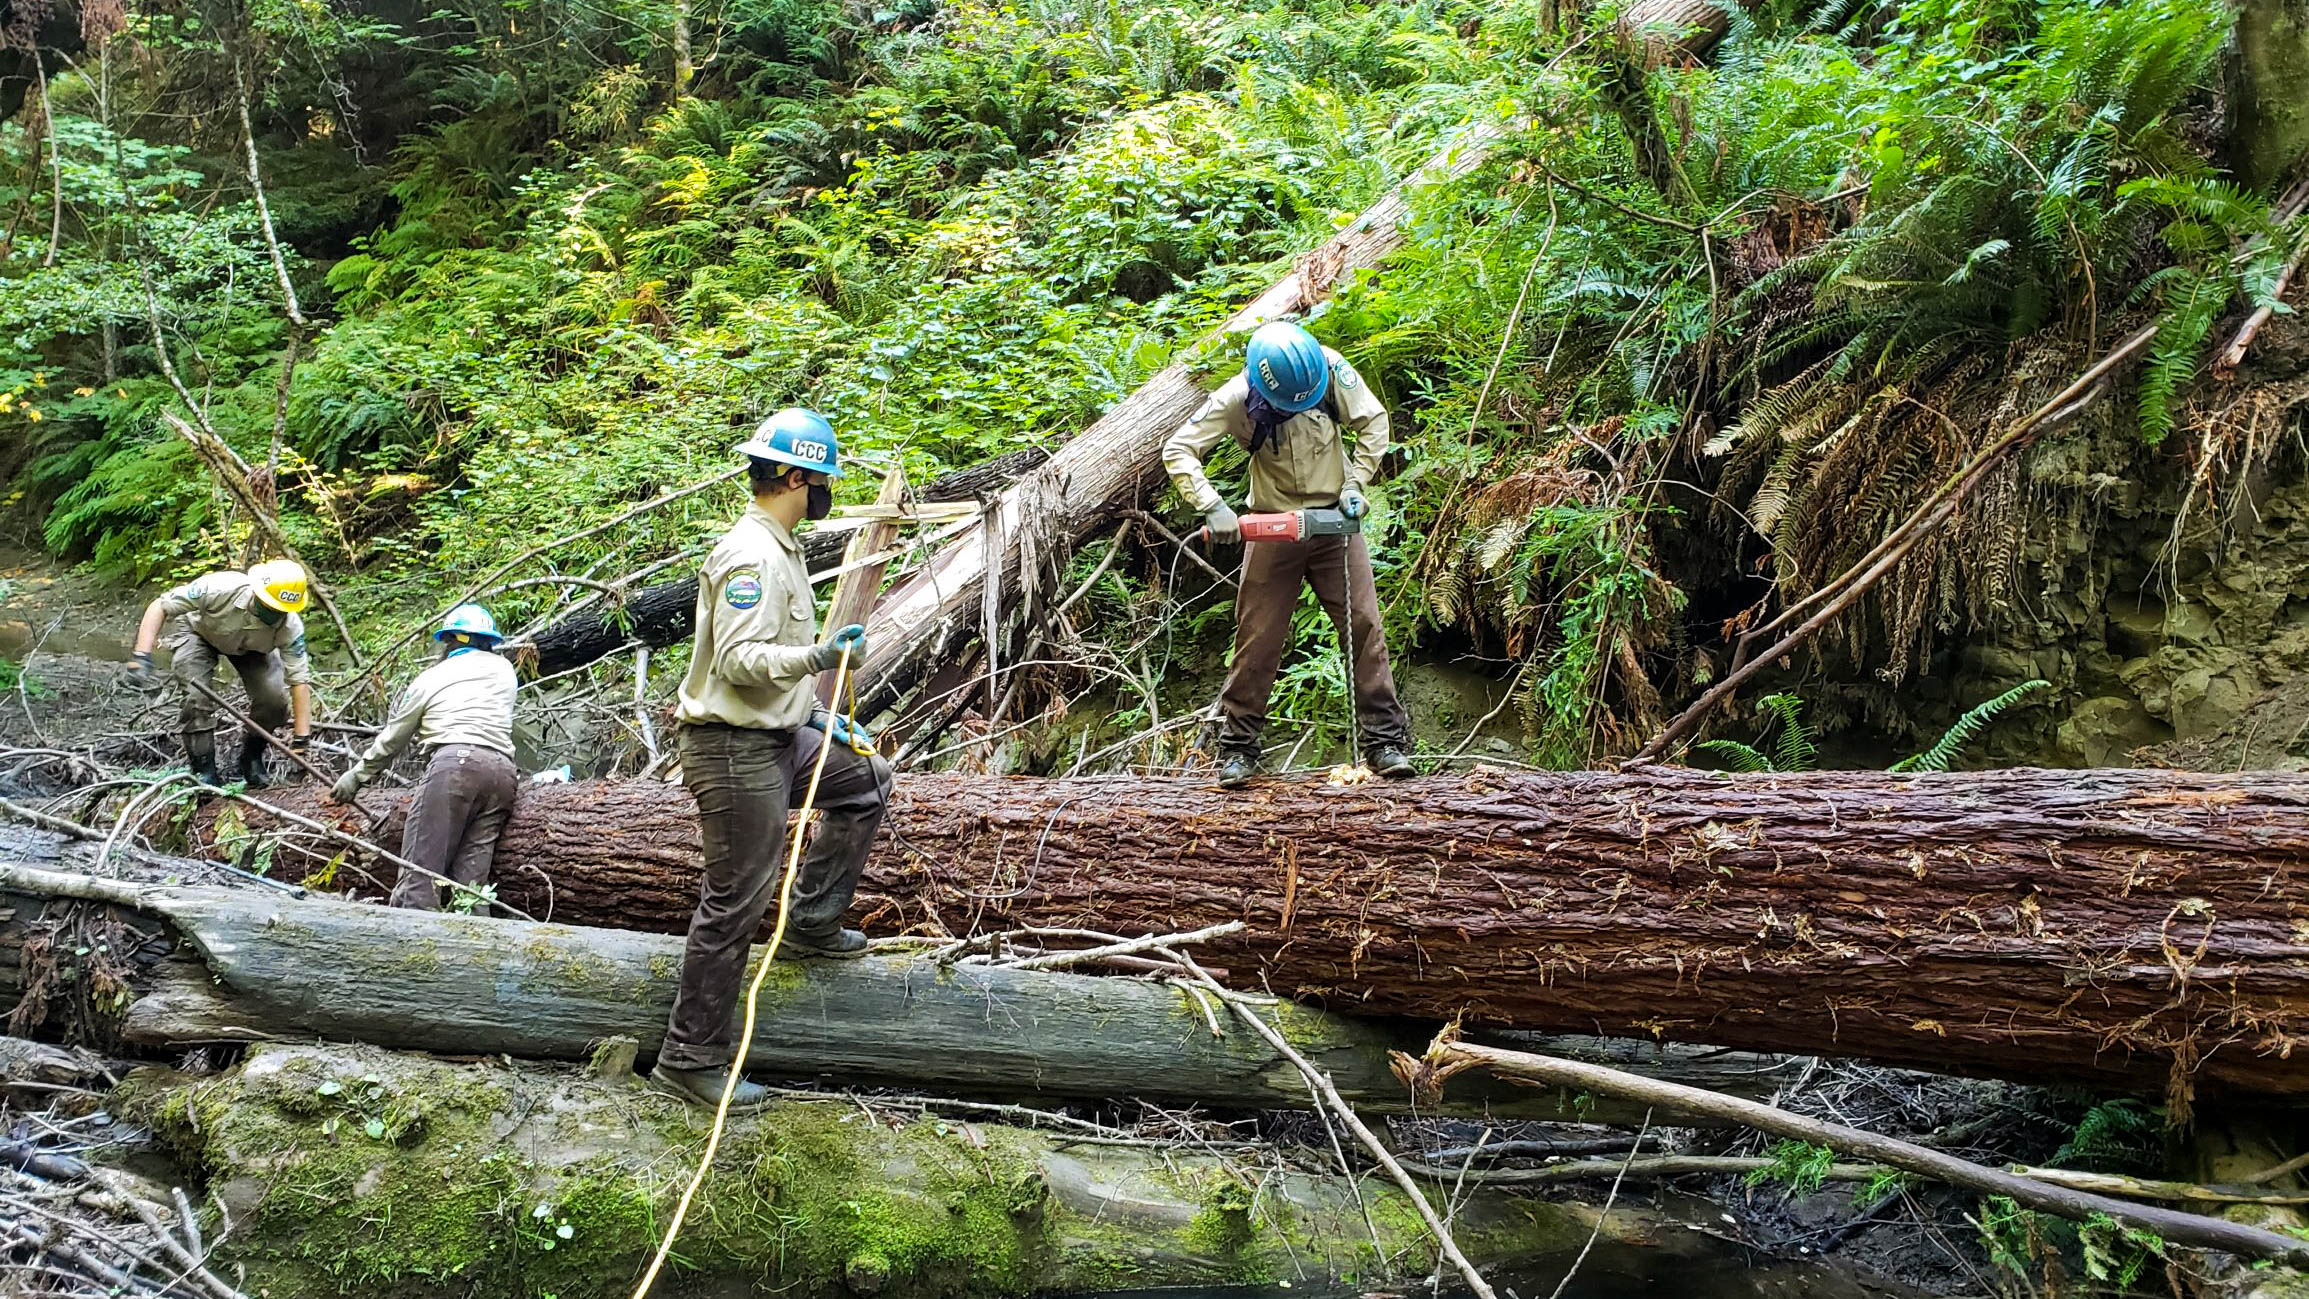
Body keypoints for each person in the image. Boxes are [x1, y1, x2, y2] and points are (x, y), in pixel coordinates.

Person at [652, 407, 892, 1109]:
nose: (825, 491)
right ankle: (687, 1057)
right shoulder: (750, 554)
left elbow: (765, 668)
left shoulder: (780, 543)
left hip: (779, 733)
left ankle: (812, 922)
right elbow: (739, 659)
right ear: (793, 476)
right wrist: (820, 659)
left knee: (867, 780)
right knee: (736, 899)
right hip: (732, 748)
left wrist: (817, 712)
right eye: (819, 479)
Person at [1162, 320, 1416, 789]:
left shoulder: (1329, 370)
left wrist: (1357, 483)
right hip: (1272, 526)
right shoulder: (1237, 398)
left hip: (1334, 523)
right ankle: (1238, 748)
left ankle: (1386, 742)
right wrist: (1212, 505)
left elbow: (1374, 422)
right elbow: (1179, 448)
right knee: (1257, 636)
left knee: (1363, 624)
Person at [329, 605, 521, 912]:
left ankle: (409, 949)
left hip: (456, 765)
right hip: (503, 774)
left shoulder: (433, 677)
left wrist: (358, 775)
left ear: (450, 641)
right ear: (488, 641)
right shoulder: (506, 671)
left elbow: (395, 736)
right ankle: (478, 945)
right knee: (471, 887)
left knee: (419, 875)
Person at [131, 559, 316, 788]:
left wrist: (301, 740)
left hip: (252, 649)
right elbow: (160, 606)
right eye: (270, 607)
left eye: (281, 610)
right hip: (198, 633)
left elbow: (299, 681)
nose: (276, 614)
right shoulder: (219, 588)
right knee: (195, 698)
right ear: (258, 594)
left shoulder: (290, 627)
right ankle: (204, 771)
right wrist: (142, 655)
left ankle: (251, 758)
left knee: (274, 701)